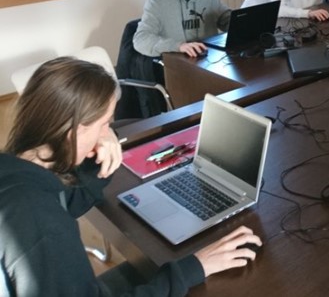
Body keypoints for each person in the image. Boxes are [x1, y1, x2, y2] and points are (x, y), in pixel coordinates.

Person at [0, 57, 262, 296]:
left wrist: (102, 153)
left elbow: (68, 201)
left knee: (149, 267)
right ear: (75, 130)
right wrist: (195, 267)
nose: (107, 132)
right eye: (105, 123)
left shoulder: (16, 170)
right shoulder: (42, 223)